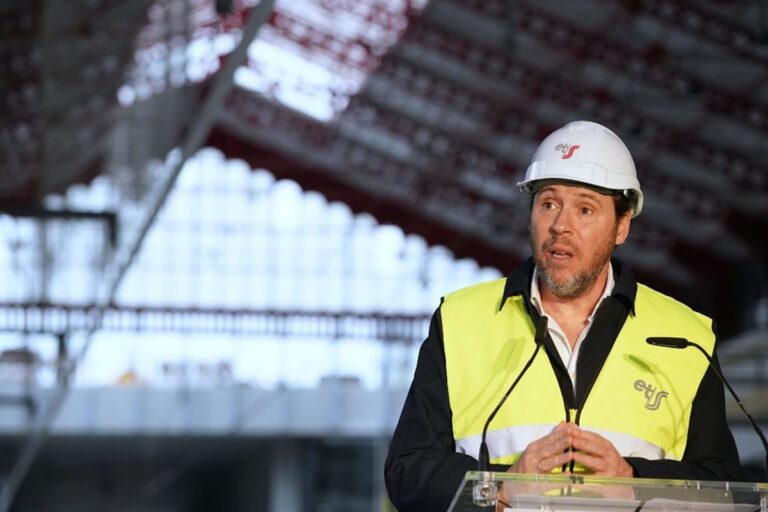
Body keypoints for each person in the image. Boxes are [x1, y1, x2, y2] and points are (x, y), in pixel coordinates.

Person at [384, 120, 742, 511]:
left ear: (622, 225)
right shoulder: (460, 321)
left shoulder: (685, 336)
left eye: (585, 209)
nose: (560, 226)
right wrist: (499, 489)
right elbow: (408, 471)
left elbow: (722, 485)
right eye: (549, 203)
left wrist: (634, 481)